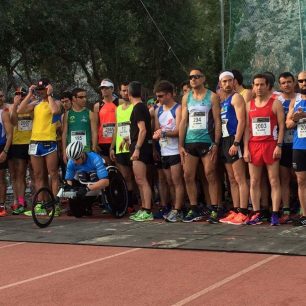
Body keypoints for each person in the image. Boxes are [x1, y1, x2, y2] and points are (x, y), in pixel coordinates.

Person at [179, 67, 221, 223]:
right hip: (190, 142)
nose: (193, 79)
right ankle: (194, 208)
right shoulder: (186, 98)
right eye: (191, 77)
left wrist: (216, 142)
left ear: (203, 78)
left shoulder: (212, 97)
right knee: (188, 175)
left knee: (210, 174)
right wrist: (180, 145)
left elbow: (217, 121)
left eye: (197, 76)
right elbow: (184, 121)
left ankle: (215, 209)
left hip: (207, 141)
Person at [244, 73, 284, 225]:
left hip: (270, 145)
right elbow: (247, 129)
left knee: (274, 180)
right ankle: (257, 213)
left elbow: (281, 127)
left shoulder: (275, 103)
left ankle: (274, 213)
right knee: (254, 181)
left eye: (262, 84)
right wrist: (246, 149)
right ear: (253, 86)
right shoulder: (249, 105)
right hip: (254, 146)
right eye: (256, 84)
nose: (259, 87)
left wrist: (279, 146)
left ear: (268, 86)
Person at [18, 78, 62, 216]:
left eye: (43, 89)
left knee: (53, 173)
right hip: (35, 142)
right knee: (38, 175)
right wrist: (30, 94)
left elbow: (55, 111)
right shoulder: (35, 104)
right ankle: (41, 204)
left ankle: (55, 205)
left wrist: (49, 95)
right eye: (39, 90)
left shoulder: (55, 102)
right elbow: (20, 110)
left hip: (49, 141)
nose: (41, 92)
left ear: (48, 88)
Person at [217, 72, 249, 225]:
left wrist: (236, 143)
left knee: (240, 177)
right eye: (224, 82)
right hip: (224, 139)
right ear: (220, 84)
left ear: (234, 82)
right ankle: (236, 210)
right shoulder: (223, 101)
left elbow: (242, 120)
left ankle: (243, 211)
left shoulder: (236, 97)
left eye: (230, 81)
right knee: (231, 178)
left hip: (233, 139)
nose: (227, 84)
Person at [153, 80, 184, 222]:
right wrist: (157, 136)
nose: (158, 99)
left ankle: (178, 209)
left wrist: (163, 133)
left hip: (175, 150)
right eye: (157, 96)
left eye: (160, 96)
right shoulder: (158, 110)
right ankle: (173, 207)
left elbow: (179, 130)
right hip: (164, 151)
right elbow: (157, 130)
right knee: (169, 181)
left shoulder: (177, 109)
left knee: (177, 181)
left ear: (169, 95)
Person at [128, 81, 154, 222]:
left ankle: (148, 210)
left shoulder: (138, 108)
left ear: (129, 93)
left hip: (141, 148)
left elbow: (143, 130)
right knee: (139, 180)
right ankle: (144, 208)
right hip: (139, 145)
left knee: (142, 180)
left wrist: (137, 148)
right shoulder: (141, 107)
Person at [109, 82, 135, 211]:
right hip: (120, 147)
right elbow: (116, 128)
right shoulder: (118, 109)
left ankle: (143, 203)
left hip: (132, 147)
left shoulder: (135, 106)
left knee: (138, 177)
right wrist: (112, 147)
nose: (125, 93)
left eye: (127, 90)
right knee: (125, 177)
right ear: (119, 92)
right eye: (123, 90)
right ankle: (128, 203)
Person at [8, 87, 32, 215]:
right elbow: (13, 121)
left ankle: (38, 201)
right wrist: (15, 105)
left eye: (22, 95)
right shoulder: (12, 107)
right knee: (19, 174)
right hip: (18, 144)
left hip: (32, 142)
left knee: (35, 174)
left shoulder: (31, 106)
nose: (20, 97)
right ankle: (21, 202)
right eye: (17, 95)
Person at [286, 70, 306, 226]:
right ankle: (304, 215)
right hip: (299, 146)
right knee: (301, 181)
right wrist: (295, 118)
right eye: (301, 81)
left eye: (305, 80)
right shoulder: (295, 100)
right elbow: (288, 124)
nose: (304, 83)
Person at [278, 72, 298, 223]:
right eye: (283, 83)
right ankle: (286, 208)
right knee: (284, 178)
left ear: (294, 82)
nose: (287, 85)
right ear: (280, 85)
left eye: (289, 82)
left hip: (299, 144)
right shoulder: (276, 100)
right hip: (282, 144)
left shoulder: (300, 98)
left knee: (299, 178)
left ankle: (300, 207)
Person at [62, 87, 98, 163]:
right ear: (74, 98)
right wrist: (64, 152)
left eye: (85, 97)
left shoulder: (90, 113)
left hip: (86, 150)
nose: (84, 99)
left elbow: (94, 132)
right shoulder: (67, 114)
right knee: (72, 174)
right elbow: (64, 133)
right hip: (71, 151)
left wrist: (94, 148)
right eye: (81, 97)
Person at [94, 79, 117, 164]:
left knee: (120, 169)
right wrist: (95, 143)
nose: (103, 90)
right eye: (102, 88)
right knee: (107, 168)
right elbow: (96, 125)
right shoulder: (97, 106)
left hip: (117, 140)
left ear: (112, 89)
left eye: (106, 88)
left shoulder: (119, 102)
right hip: (103, 141)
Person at [0, 89, 13, 216]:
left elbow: (10, 134)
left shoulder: (4, 113)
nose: (0, 98)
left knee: (1, 178)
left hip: (1, 147)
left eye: (1, 96)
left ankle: (2, 205)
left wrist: (5, 151)